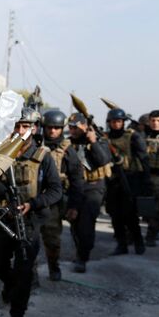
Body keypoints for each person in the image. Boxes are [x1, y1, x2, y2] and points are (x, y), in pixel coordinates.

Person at [0, 107, 62, 317]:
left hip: (29, 222)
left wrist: (33, 204)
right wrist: (4, 195)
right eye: (17, 126)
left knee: (25, 271)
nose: (20, 130)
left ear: (34, 128)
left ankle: (17, 314)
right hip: (5, 219)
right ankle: (11, 285)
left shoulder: (42, 156)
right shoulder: (1, 153)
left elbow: (55, 190)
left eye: (25, 126)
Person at [39, 110, 84, 280]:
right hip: (34, 198)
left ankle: (53, 266)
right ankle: (30, 272)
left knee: (52, 238)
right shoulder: (35, 145)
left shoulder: (67, 150)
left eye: (57, 128)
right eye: (49, 128)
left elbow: (77, 179)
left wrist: (74, 205)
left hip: (54, 201)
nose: (52, 131)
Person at [67, 113, 112, 272]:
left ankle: (82, 257)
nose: (72, 130)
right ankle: (80, 250)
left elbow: (103, 160)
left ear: (85, 126)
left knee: (86, 224)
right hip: (75, 187)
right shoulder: (69, 143)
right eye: (70, 127)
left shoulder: (98, 140)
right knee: (75, 223)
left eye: (76, 127)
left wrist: (93, 141)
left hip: (93, 187)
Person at [105, 108, 150, 255]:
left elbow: (144, 159)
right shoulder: (105, 138)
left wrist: (145, 182)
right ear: (109, 122)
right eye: (113, 122)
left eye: (119, 121)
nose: (116, 124)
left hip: (130, 179)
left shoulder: (133, 136)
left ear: (123, 122)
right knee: (115, 215)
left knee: (130, 214)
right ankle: (121, 244)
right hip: (112, 180)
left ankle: (138, 241)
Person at [145, 109, 159, 246]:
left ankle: (153, 232)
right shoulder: (143, 135)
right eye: (153, 120)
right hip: (146, 175)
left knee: (157, 206)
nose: (155, 123)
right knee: (148, 205)